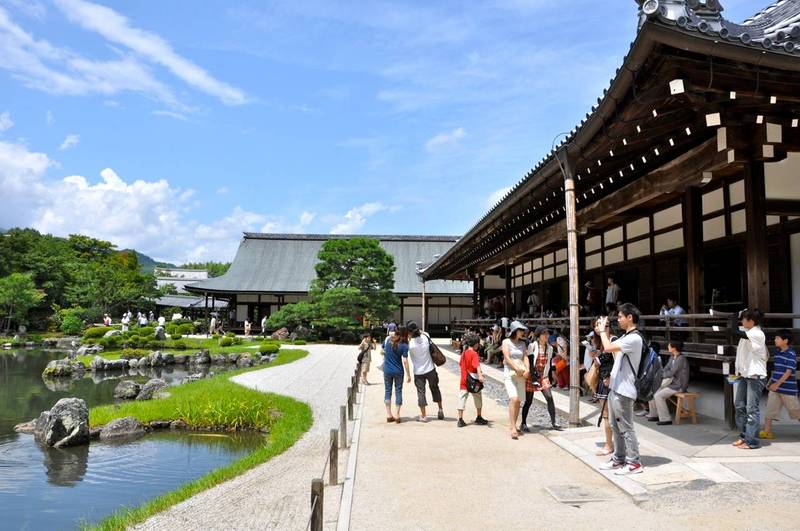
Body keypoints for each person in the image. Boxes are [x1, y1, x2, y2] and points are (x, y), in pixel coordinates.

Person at [595, 303, 644, 475]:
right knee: (616, 427)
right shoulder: (626, 336)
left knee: (626, 427)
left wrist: (602, 331)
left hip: (624, 390)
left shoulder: (634, 338)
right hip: (616, 388)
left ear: (630, 317)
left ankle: (634, 462)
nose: (618, 319)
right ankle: (619, 459)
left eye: (621, 316)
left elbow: (608, 347)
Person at [733, 309, 768, 450]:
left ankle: (752, 441)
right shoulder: (747, 332)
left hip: (755, 375)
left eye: (743, 319)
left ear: (751, 321)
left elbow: (736, 332)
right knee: (739, 405)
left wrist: (732, 317)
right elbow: (738, 331)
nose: (741, 322)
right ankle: (744, 436)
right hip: (744, 374)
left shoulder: (758, 333)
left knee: (751, 409)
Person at [760, 329, 799, 440]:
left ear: (785, 340)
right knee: (770, 409)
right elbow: (777, 371)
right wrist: (771, 383)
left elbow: (789, 371)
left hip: (788, 389)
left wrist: (777, 384)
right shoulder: (778, 353)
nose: (775, 340)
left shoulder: (791, 354)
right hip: (775, 388)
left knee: (795, 410)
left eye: (777, 338)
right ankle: (767, 432)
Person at [520, 326, 560, 432]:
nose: (547, 336)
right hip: (532, 376)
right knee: (529, 401)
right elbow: (528, 361)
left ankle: (554, 423)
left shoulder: (550, 348)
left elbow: (549, 364)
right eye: (544, 333)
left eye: (547, 333)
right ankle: (523, 423)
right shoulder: (532, 346)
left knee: (549, 397)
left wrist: (553, 375)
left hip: (543, 376)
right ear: (539, 335)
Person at [405, 321, 444, 422]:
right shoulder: (426, 336)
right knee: (435, 388)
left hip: (418, 372)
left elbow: (407, 342)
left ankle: (424, 416)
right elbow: (423, 333)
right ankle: (440, 409)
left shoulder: (411, 344)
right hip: (430, 369)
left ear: (409, 332)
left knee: (421, 392)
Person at [646, 339, 690, 425]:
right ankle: (654, 414)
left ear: (674, 348)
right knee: (652, 392)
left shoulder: (681, 359)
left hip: (678, 385)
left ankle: (666, 419)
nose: (668, 347)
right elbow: (666, 369)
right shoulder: (672, 357)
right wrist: (660, 373)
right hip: (671, 384)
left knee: (658, 395)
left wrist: (661, 375)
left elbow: (671, 372)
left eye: (669, 346)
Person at [590, 321, 616, 456]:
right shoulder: (601, 342)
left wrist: (611, 375)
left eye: (601, 325)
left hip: (609, 381)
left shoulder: (612, 340)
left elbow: (617, 361)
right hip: (604, 380)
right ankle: (611, 444)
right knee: (608, 416)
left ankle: (609, 445)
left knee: (609, 416)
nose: (598, 328)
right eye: (596, 325)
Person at [502, 321, 530, 440]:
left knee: (519, 401)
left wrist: (527, 369)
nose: (523, 332)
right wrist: (516, 368)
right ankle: (513, 427)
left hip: (521, 373)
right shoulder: (506, 342)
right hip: (510, 372)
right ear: (515, 330)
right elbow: (507, 357)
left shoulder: (523, 344)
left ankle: (514, 424)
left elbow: (525, 356)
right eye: (521, 330)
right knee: (514, 398)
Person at [458, 333, 488, 427]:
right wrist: (480, 376)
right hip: (473, 381)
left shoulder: (464, 353)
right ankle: (479, 417)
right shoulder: (474, 353)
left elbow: (460, 364)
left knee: (462, 398)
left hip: (464, 379)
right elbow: (477, 366)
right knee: (478, 397)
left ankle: (460, 419)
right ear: (475, 344)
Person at [382, 326, 410, 423]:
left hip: (387, 370)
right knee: (398, 391)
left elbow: (382, 351)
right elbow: (405, 361)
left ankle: (389, 415)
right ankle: (397, 415)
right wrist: (409, 375)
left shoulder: (387, 340)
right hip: (398, 371)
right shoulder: (404, 345)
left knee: (387, 391)